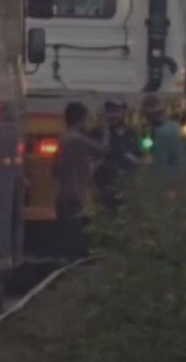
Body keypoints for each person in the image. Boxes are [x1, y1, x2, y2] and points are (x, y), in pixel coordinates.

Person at [52, 102, 107, 260]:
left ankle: (68, 261)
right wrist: (103, 131)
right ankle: (76, 263)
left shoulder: (63, 139)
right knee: (78, 235)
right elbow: (102, 150)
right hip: (78, 194)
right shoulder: (78, 140)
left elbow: (55, 169)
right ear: (81, 119)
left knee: (66, 232)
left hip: (64, 192)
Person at [93, 100, 142, 210]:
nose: (113, 115)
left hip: (126, 184)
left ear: (123, 112)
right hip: (105, 184)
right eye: (109, 111)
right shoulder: (100, 133)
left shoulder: (131, 132)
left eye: (116, 111)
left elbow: (137, 155)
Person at [142, 95, 185, 183]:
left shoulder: (157, 133)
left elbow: (157, 161)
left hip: (165, 179)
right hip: (181, 176)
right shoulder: (176, 127)